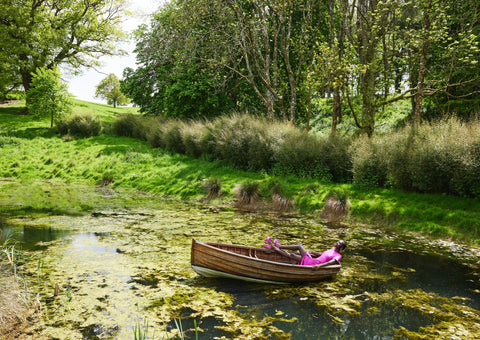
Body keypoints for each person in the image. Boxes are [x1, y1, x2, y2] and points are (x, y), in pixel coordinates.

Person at [265, 238, 347, 270]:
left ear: (341, 248)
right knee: (292, 255)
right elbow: (323, 255)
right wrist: (314, 253)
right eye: (338, 241)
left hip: (313, 264)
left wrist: (319, 266)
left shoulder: (338, 256)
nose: (337, 242)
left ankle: (280, 246)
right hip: (312, 260)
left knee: (299, 246)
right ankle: (273, 248)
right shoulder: (332, 249)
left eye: (339, 243)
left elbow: (330, 262)